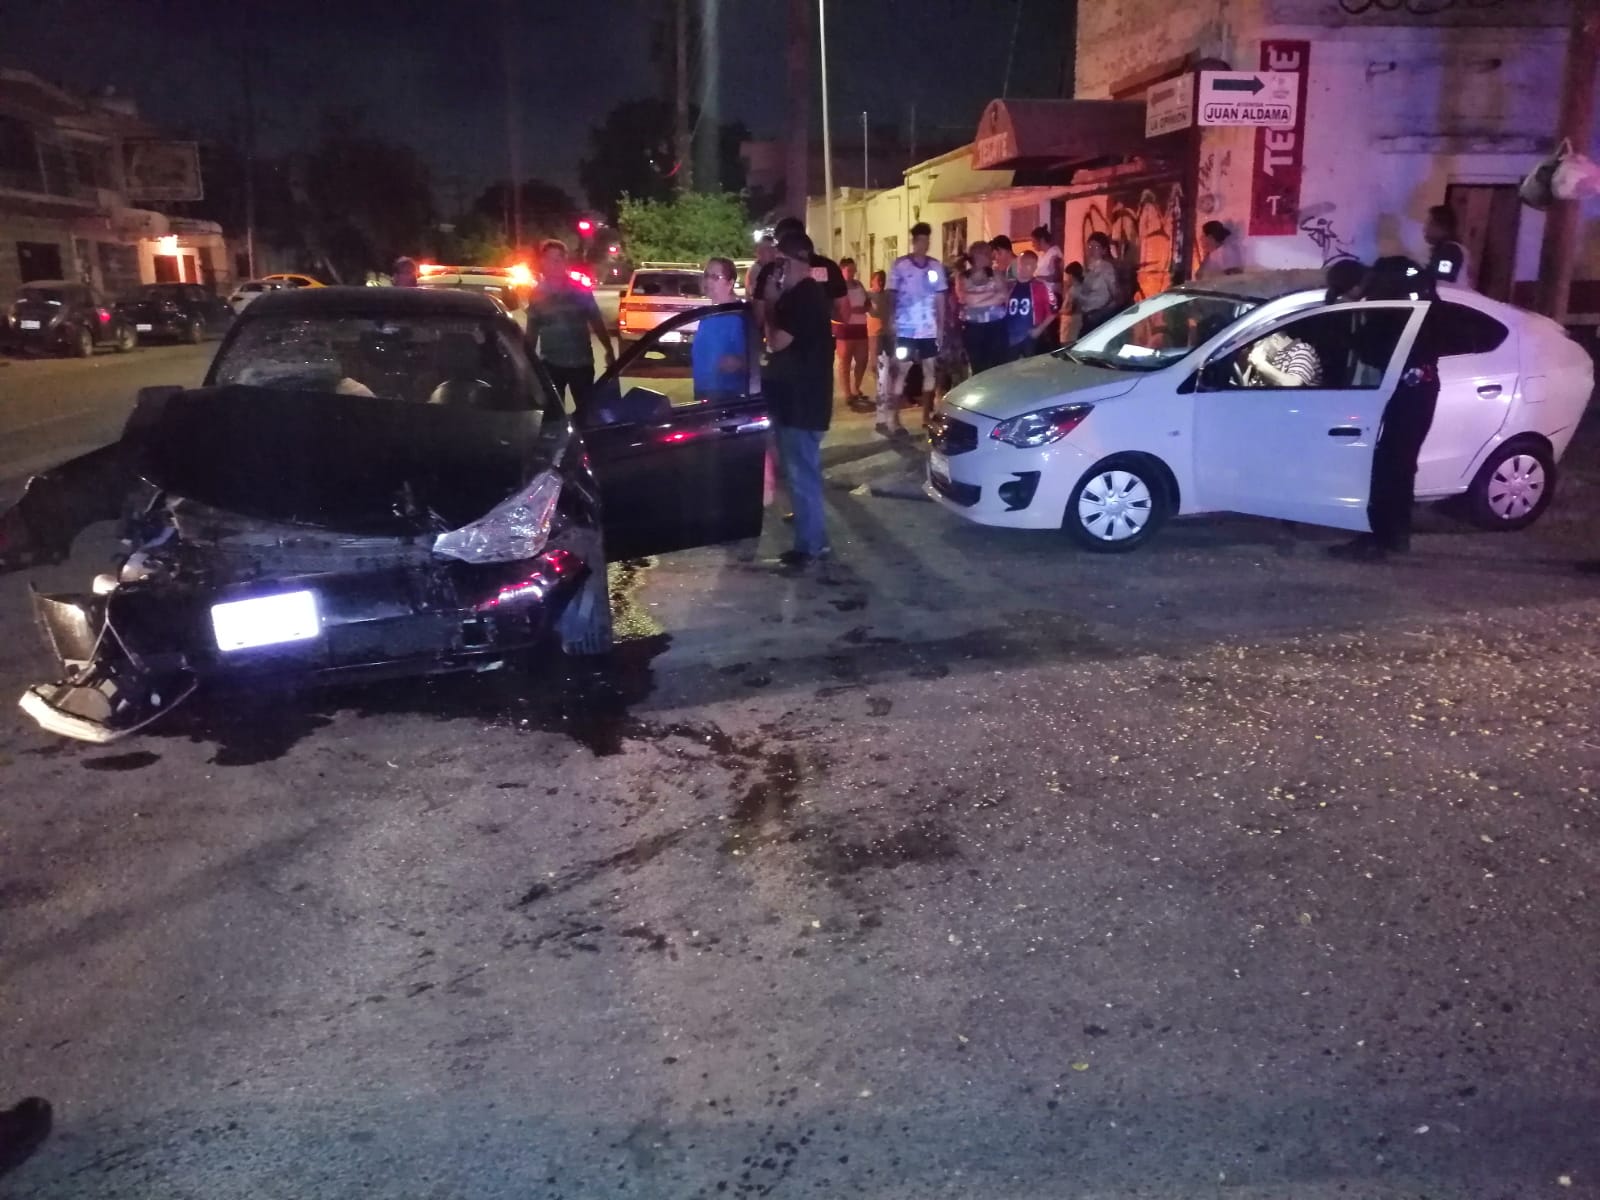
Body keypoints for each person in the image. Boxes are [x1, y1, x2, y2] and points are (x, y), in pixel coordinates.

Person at [1330, 258, 1443, 561]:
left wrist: (1346, 336)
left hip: (1410, 390)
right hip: (1420, 386)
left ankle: (1385, 538)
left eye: (1346, 293)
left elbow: (1375, 350)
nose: (1351, 300)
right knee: (1398, 464)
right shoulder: (1397, 287)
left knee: (1391, 465)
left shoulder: (1386, 304)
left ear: (1356, 284)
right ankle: (1393, 535)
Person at [764, 231, 835, 569]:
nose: (777, 269)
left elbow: (777, 341)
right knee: (800, 473)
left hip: (802, 403)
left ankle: (810, 545)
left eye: (780, 261)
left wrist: (770, 304)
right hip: (800, 400)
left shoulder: (802, 297)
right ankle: (813, 540)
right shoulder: (806, 295)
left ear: (790, 262)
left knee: (802, 474)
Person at [526, 238, 614, 421]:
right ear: (543, 262)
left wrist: (609, 349)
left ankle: (585, 447)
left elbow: (596, 320)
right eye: (550, 259)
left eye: (559, 259)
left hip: (581, 364)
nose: (555, 264)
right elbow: (532, 331)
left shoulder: (579, 290)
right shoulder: (537, 294)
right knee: (553, 417)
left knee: (586, 415)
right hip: (551, 365)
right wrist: (528, 362)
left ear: (565, 261)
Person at [882, 222, 949, 439]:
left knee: (930, 371)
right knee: (901, 370)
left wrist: (940, 326)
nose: (924, 244)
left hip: (928, 328)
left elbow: (940, 297)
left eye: (927, 240)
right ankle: (893, 418)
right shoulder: (900, 265)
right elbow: (891, 294)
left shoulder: (935, 267)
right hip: (906, 328)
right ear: (914, 241)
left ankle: (926, 416)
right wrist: (890, 319)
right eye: (921, 240)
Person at [754, 216, 848, 332]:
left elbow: (759, 318)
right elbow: (844, 313)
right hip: (820, 343)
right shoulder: (829, 267)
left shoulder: (770, 271)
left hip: (782, 342)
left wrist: (771, 305)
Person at [692, 257, 748, 401]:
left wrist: (737, 363)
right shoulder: (709, 314)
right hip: (704, 393)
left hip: (727, 396)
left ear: (730, 283)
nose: (708, 281)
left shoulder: (739, 315)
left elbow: (753, 359)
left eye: (715, 277)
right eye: (706, 275)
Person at [956, 240, 1011, 375]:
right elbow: (965, 298)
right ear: (976, 256)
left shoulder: (996, 274)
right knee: (978, 367)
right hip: (973, 328)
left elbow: (1003, 296)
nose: (991, 257)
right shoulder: (963, 277)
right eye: (986, 254)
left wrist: (976, 299)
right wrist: (992, 295)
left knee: (997, 367)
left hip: (996, 327)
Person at [1005, 250, 1057, 361]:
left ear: (1034, 267)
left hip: (1030, 336)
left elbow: (1053, 311)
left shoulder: (1041, 286)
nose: (1022, 267)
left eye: (1027, 264)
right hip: (1010, 336)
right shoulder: (1009, 286)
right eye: (1021, 263)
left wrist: (1039, 329)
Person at [835, 257, 871, 407]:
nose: (852, 272)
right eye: (848, 270)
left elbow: (867, 302)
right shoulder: (838, 287)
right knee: (845, 362)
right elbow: (835, 308)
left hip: (861, 327)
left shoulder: (858, 284)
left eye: (853, 269)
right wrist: (847, 312)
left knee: (862, 360)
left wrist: (865, 308)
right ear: (842, 270)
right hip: (845, 328)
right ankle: (848, 393)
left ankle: (856, 387)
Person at [1245, 331, 1322, 387]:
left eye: (1260, 345)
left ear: (1275, 340)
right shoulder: (1274, 358)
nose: (1258, 349)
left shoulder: (1302, 350)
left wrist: (1260, 364)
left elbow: (1294, 384)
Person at [1077, 233, 1120, 333]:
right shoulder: (1088, 269)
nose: (1092, 250)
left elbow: (1116, 297)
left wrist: (1101, 313)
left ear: (1104, 250)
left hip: (1099, 318)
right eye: (1090, 246)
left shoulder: (1106, 268)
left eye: (1096, 247)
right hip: (1086, 316)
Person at [1424, 204, 1469, 286]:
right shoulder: (1448, 249)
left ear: (1441, 227)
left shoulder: (1450, 251)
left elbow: (1442, 280)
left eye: (1429, 224)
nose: (1425, 229)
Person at [1032, 224, 1064, 309]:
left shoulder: (1054, 253)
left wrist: (1039, 278)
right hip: (1040, 293)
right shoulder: (1040, 255)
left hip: (1051, 293)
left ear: (1041, 240)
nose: (1033, 245)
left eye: (1034, 241)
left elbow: (1058, 276)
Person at [1058, 261, 1085, 345]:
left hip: (1070, 323)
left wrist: (1059, 312)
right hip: (1076, 321)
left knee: (1067, 345)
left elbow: (1071, 309)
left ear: (1071, 276)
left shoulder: (1073, 290)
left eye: (1067, 276)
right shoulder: (1081, 287)